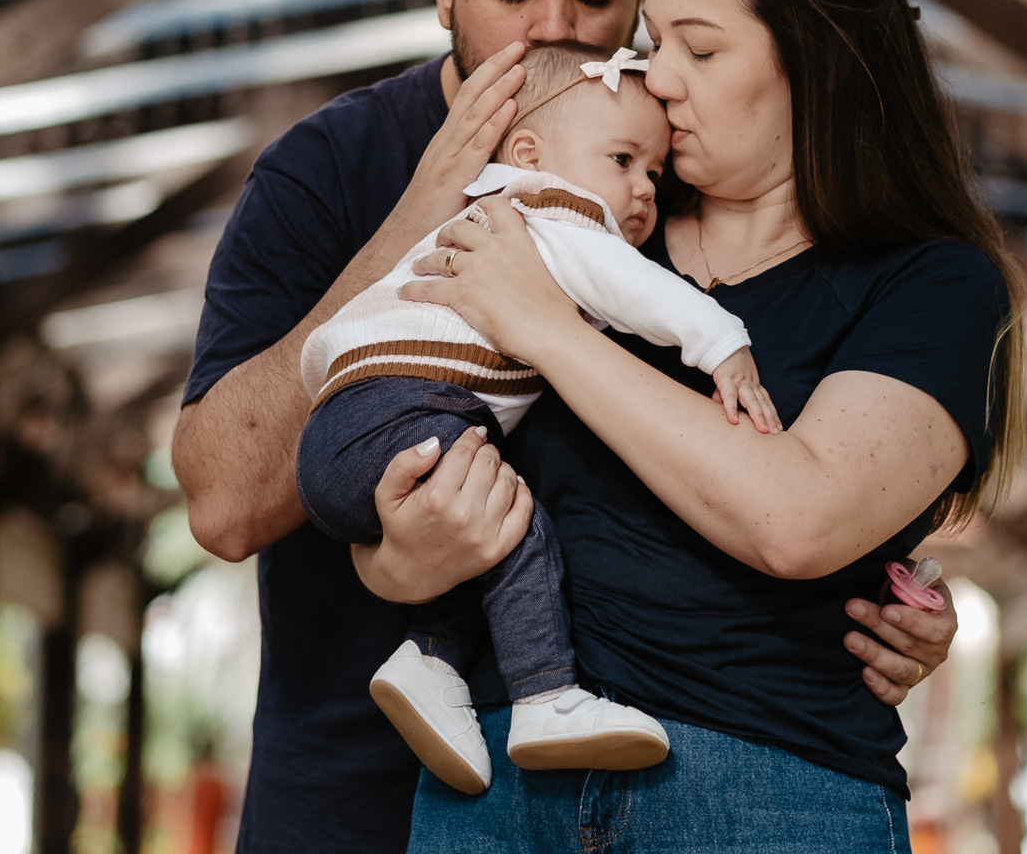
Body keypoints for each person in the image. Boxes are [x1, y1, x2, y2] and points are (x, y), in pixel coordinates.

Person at [173, 0, 961, 854]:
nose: (556, 30)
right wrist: (425, 213)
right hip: (351, 784)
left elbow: (790, 404)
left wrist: (875, 586)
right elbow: (223, 507)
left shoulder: (672, 167)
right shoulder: (324, 172)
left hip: (626, 775)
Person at [396, 0, 1027, 853]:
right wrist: (398, 544)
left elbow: (798, 520)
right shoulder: (596, 224)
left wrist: (549, 331)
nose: (656, 79)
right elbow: (409, 405)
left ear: (819, 59)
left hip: (769, 789)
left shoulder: (932, 284)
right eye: (653, 44)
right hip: (501, 775)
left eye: (698, 46)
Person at [297, 44, 772, 794]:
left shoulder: (487, 216)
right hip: (403, 407)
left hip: (344, 428)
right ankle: (547, 697)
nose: (642, 189)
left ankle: (432, 665)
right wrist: (722, 343)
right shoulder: (547, 208)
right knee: (515, 520)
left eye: (653, 171)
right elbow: (632, 288)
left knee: (477, 523)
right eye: (621, 159)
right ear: (530, 153)